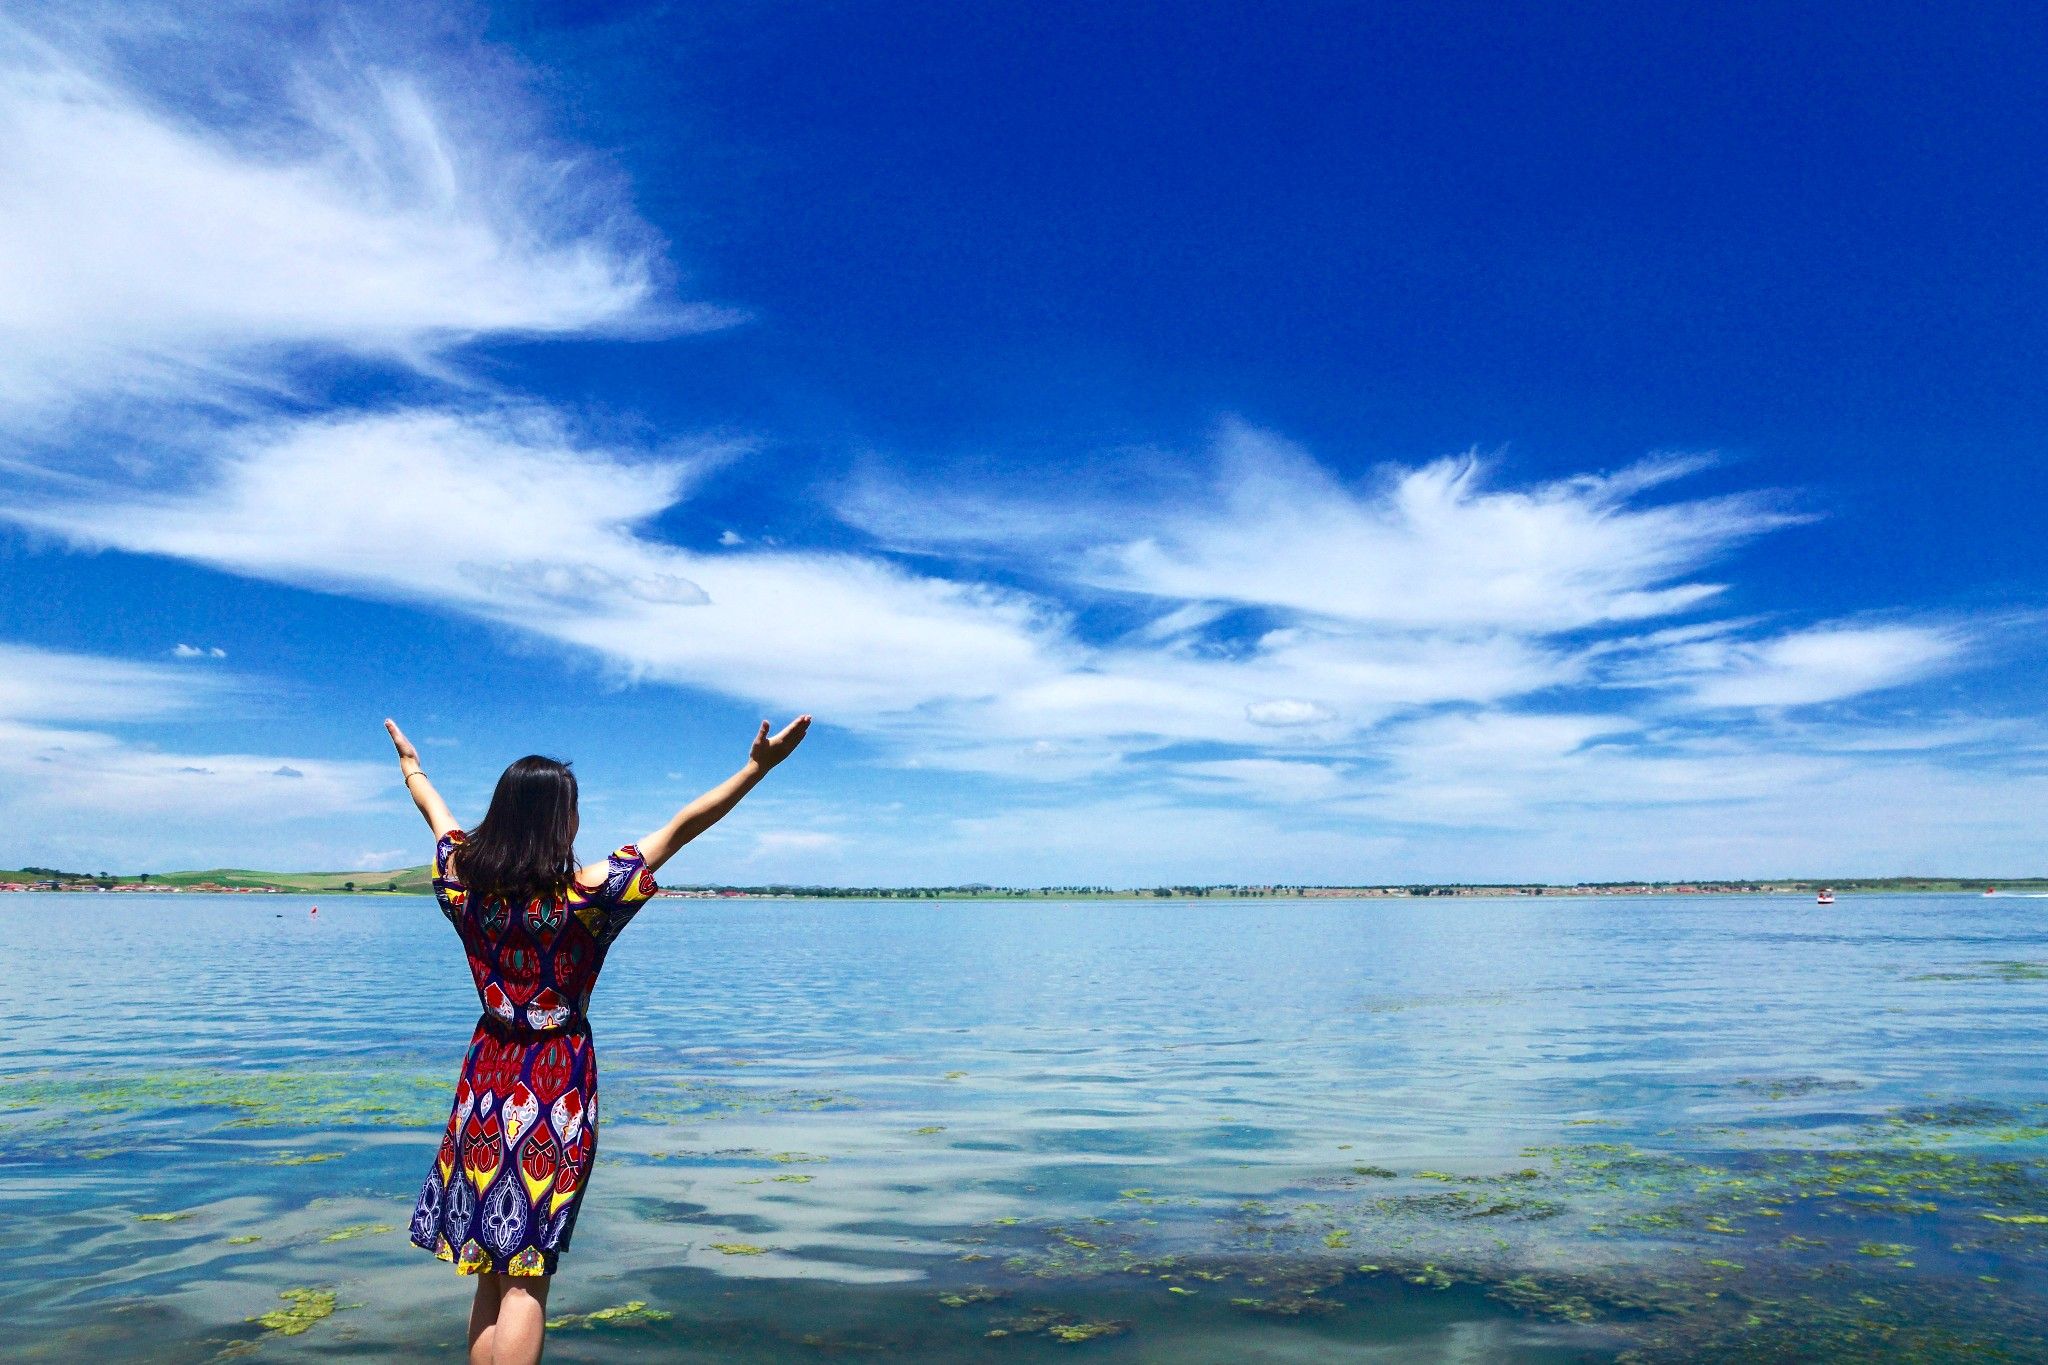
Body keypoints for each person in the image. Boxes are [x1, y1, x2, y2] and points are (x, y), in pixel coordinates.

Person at [384, 713, 811, 1365]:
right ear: (560, 824)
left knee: (489, 1269)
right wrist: (758, 768)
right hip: (555, 1089)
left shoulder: (463, 886)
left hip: (484, 1085)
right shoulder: (587, 898)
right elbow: (682, 827)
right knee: (527, 1275)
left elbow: (434, 813)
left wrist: (412, 766)